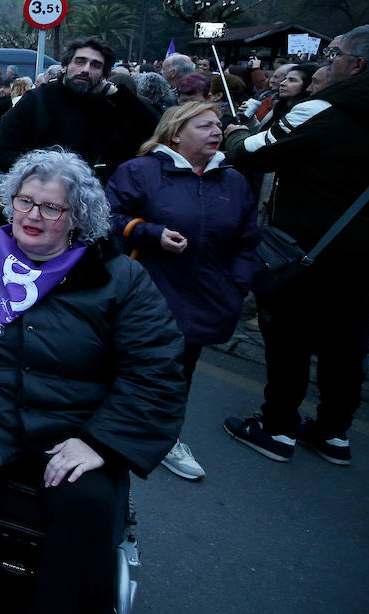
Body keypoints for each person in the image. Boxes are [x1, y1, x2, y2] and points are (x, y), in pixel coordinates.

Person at [0, 149, 185, 613]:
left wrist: (100, 443)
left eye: (51, 207)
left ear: (78, 217)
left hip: (75, 429)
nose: (32, 215)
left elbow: (156, 373)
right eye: (25, 201)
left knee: (87, 503)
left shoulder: (120, 279)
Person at [221, 26, 369, 466]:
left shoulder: (322, 109)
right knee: (346, 344)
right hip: (362, 259)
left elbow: (252, 151)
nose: (326, 61)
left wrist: (234, 132)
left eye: (334, 53)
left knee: (289, 339)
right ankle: (333, 432)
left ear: (357, 65)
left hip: (303, 251)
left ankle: (277, 428)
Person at [106, 103, 260, 480]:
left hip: (206, 296)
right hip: (147, 291)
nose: (217, 131)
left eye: (218, 125)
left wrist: (237, 285)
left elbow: (248, 240)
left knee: (180, 372)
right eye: (204, 125)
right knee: (123, 362)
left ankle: (165, 438)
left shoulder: (234, 181)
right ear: (176, 133)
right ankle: (106, 430)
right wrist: (151, 233)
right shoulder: (139, 171)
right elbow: (107, 218)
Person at [0, 37, 159, 185]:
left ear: (103, 74)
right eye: (79, 61)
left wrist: (115, 93)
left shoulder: (107, 106)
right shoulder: (36, 100)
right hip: (39, 198)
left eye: (96, 65)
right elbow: (0, 152)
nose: (86, 69)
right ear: (64, 66)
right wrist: (46, 174)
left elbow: (155, 128)